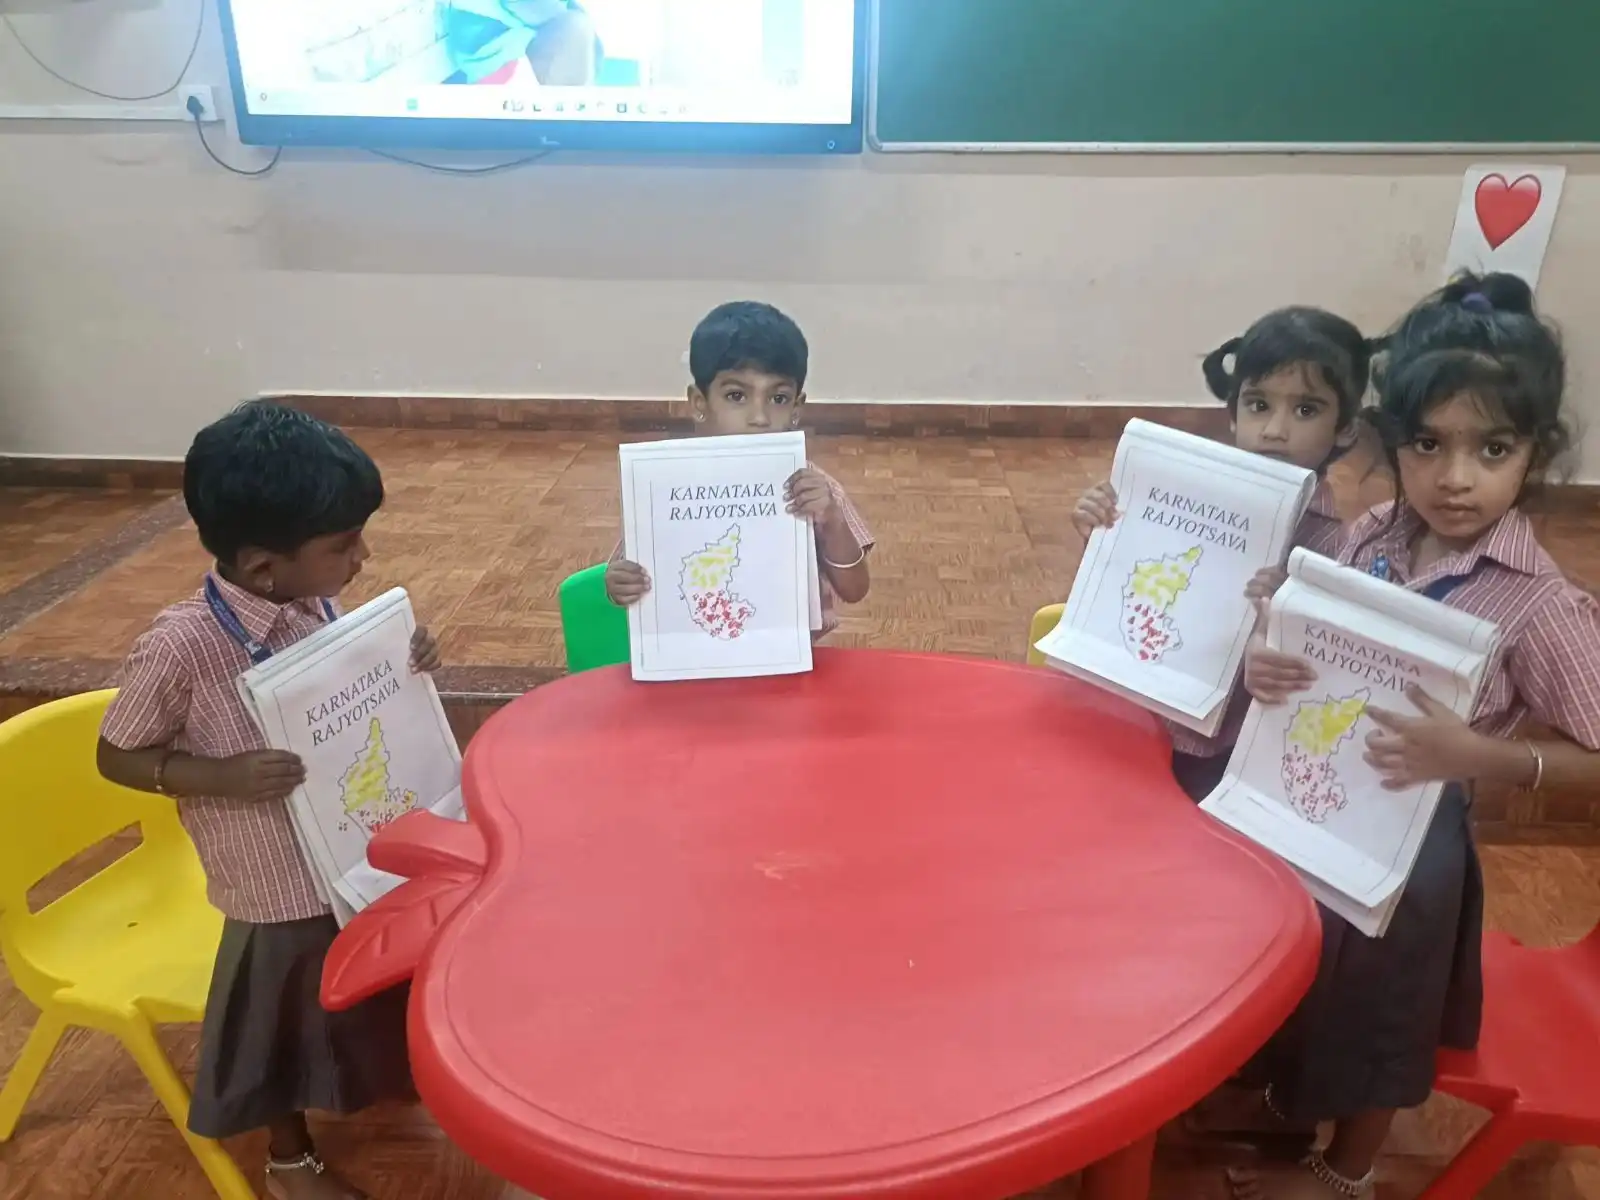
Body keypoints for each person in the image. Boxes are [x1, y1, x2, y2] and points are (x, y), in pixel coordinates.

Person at [1218, 273, 1600, 1200]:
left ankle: (1344, 1171)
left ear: (1535, 454)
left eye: (1491, 448)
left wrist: (1485, 759)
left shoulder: (1541, 606)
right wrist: (1270, 663)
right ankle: (1285, 1093)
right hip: (1318, 807)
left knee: (1381, 1017)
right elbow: (1314, 664)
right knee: (1306, 970)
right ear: (1394, 443)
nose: (1455, 477)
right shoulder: (1368, 538)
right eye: (1429, 444)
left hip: (1415, 850)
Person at [96, 402, 442, 1200]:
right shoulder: (181, 644)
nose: (363, 556)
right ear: (261, 567)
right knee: (280, 1023)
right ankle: (289, 1160)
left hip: (343, 846)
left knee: (353, 979)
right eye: (343, 545)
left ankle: (373, 1083)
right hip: (271, 881)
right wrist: (220, 777)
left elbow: (345, 686)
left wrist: (404, 656)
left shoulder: (311, 600)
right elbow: (116, 753)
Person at [1070, 306, 1375, 801]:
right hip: (1133, 714)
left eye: (1305, 410)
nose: (1275, 429)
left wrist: (1288, 614)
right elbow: (1137, 589)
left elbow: (1318, 676)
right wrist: (1104, 534)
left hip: (1223, 752)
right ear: (1233, 414)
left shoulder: (1335, 545)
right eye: (1258, 405)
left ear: (1345, 429)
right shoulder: (1182, 489)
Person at [605, 300, 874, 634]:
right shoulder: (663, 486)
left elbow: (855, 589)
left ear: (796, 408)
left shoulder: (814, 488)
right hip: (692, 656)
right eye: (736, 396)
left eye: (778, 399)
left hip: (796, 664)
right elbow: (626, 575)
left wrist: (832, 522)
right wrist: (618, 585)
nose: (759, 418)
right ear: (699, 403)